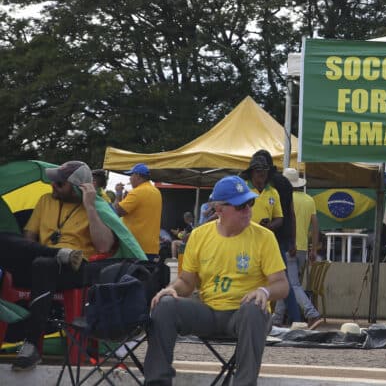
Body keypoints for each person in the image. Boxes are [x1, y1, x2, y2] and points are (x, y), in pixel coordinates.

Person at [143, 175, 289, 386]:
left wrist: (265, 292)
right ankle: (157, 382)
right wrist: (171, 289)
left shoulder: (264, 237)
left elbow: (282, 285)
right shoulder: (199, 236)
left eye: (250, 203)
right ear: (219, 209)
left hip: (243, 314)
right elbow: (186, 281)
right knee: (164, 305)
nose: (248, 209)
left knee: (254, 309)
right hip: (209, 312)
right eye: (240, 206)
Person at [0, 160, 145, 371]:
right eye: (53, 182)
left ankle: (32, 345)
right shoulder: (45, 201)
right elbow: (28, 238)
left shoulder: (95, 207)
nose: (53, 186)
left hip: (77, 269)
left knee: (44, 264)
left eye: (60, 184)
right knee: (8, 242)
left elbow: (104, 245)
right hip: (40, 262)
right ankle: (58, 254)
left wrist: (90, 207)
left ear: (77, 187)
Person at [243, 150, 300, 323]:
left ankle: (285, 317)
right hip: (279, 238)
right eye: (258, 172)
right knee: (283, 280)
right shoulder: (283, 184)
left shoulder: (273, 189)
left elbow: (283, 215)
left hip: (270, 237)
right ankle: (294, 318)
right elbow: (291, 213)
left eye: (263, 172)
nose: (261, 176)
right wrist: (293, 239)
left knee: (277, 280)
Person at [272, 168, 324, 329]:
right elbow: (315, 226)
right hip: (302, 249)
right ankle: (277, 318)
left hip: (289, 246)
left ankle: (312, 314)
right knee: (287, 282)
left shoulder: (284, 197)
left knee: (292, 284)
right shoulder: (309, 199)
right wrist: (314, 249)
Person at [113, 163, 162, 259]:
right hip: (152, 247)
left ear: (138, 176)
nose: (130, 178)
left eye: (131, 175)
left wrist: (118, 194)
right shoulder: (156, 192)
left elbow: (117, 212)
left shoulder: (137, 192)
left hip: (135, 247)